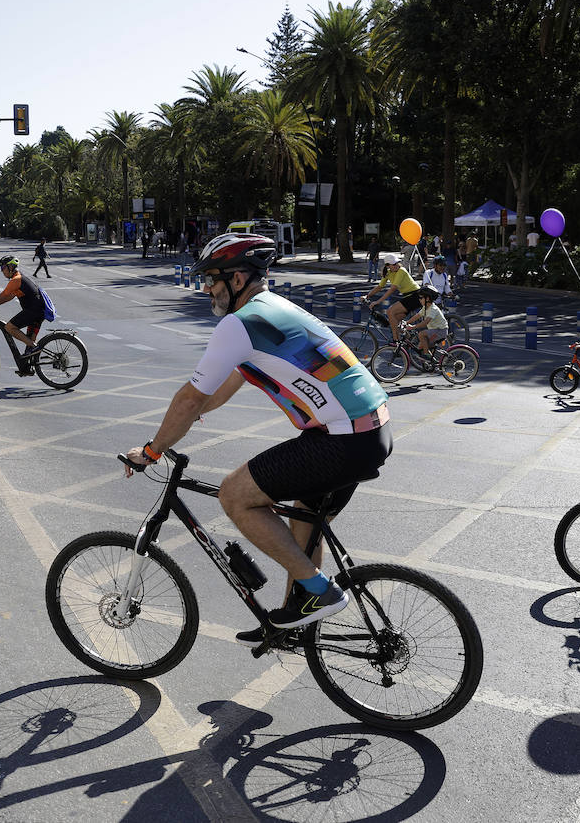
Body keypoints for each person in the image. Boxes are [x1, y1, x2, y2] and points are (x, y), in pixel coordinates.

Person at [121, 233, 392, 640]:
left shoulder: (240, 323)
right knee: (304, 524)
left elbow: (191, 398)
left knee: (235, 495)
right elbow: (218, 391)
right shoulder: (273, 310)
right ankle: (295, 621)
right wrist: (186, 421)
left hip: (342, 440)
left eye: (213, 278)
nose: (207, 288)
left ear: (238, 278)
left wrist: (152, 450)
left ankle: (323, 592)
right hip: (372, 430)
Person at [0, 254, 46, 376]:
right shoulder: (18, 278)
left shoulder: (16, 280)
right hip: (38, 311)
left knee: (9, 327)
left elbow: (2, 295)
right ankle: (26, 368)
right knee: (29, 347)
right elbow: (9, 297)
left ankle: (34, 347)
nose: (2, 271)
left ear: (11, 267)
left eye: (3, 268)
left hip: (34, 311)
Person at [363, 253, 420, 337]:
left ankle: (395, 341)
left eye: (396, 263)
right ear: (387, 266)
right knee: (394, 321)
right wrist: (367, 296)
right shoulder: (388, 273)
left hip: (415, 296)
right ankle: (407, 338)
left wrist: (377, 302)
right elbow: (379, 287)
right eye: (393, 264)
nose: (396, 265)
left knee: (390, 311)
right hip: (408, 297)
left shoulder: (401, 270)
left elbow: (393, 289)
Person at [402, 286, 448, 356]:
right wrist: (406, 322)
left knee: (421, 334)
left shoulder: (433, 309)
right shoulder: (426, 307)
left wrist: (413, 327)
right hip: (434, 330)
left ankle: (427, 355)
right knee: (420, 347)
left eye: (421, 298)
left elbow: (425, 323)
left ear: (427, 298)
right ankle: (431, 361)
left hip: (440, 331)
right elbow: (417, 316)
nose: (419, 300)